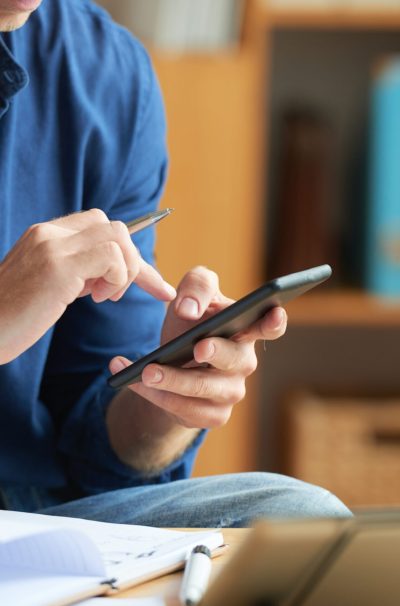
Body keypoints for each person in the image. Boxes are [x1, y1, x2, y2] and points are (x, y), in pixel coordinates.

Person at [0, 0, 351, 524]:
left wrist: (165, 399)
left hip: (33, 515)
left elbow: (94, 444)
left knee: (305, 521)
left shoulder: (105, 72)